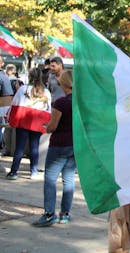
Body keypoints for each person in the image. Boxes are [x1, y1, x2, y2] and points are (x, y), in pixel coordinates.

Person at [33, 70, 76, 227]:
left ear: (63, 83)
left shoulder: (60, 103)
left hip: (59, 144)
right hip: (74, 144)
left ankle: (49, 213)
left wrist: (46, 127)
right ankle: (65, 213)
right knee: (69, 179)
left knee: (50, 179)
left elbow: (52, 126)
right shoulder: (81, 104)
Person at [6, 67, 51, 180]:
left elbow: (14, 104)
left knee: (19, 147)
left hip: (23, 121)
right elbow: (48, 109)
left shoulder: (23, 89)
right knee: (34, 147)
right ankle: (34, 172)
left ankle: (14, 172)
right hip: (37, 123)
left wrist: (10, 117)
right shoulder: (46, 92)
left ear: (30, 77)